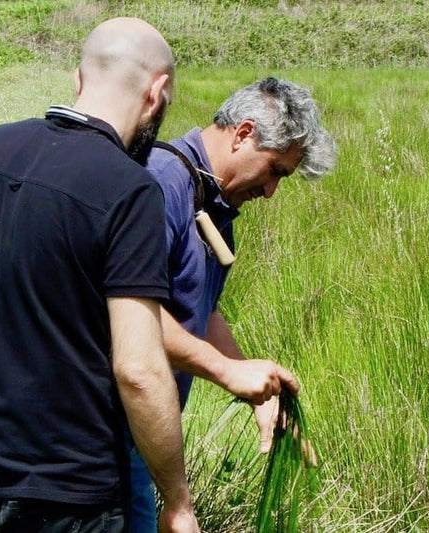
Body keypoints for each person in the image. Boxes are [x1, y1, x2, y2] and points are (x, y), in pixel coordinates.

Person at [0, 17, 200, 533]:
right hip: (73, 498)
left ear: (78, 80)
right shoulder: (129, 190)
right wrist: (177, 502)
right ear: (157, 93)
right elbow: (139, 371)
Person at [125, 76, 336, 532]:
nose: (271, 191)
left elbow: (201, 309)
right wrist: (227, 372)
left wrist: (256, 394)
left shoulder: (213, 203)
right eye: (276, 170)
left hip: (139, 439)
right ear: (243, 134)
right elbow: (128, 312)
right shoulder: (161, 185)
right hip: (104, 439)